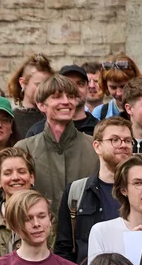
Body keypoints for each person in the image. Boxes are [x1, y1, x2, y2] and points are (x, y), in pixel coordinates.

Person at [54, 116, 133, 265]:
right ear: (97, 146)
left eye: (128, 140)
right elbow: (64, 248)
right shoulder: (76, 192)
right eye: (115, 140)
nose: (123, 145)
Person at [17, 75, 97, 214]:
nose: (66, 102)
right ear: (41, 105)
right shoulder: (24, 149)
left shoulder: (94, 147)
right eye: (57, 97)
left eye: (71, 97)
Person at [0, 147, 37, 265]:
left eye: (21, 171)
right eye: (7, 173)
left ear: (31, 177)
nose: (15, 177)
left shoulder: (47, 219)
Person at [25, 65, 97, 138]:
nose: (74, 89)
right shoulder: (37, 131)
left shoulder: (98, 129)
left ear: (87, 88)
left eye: (80, 84)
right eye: (68, 84)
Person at [7, 54, 54, 137]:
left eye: (47, 85)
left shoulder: (53, 118)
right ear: (23, 83)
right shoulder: (10, 118)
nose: (43, 90)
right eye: (38, 84)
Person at [94, 53, 141, 121]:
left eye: (123, 86)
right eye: (113, 87)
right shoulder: (99, 113)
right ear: (106, 85)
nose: (119, 93)